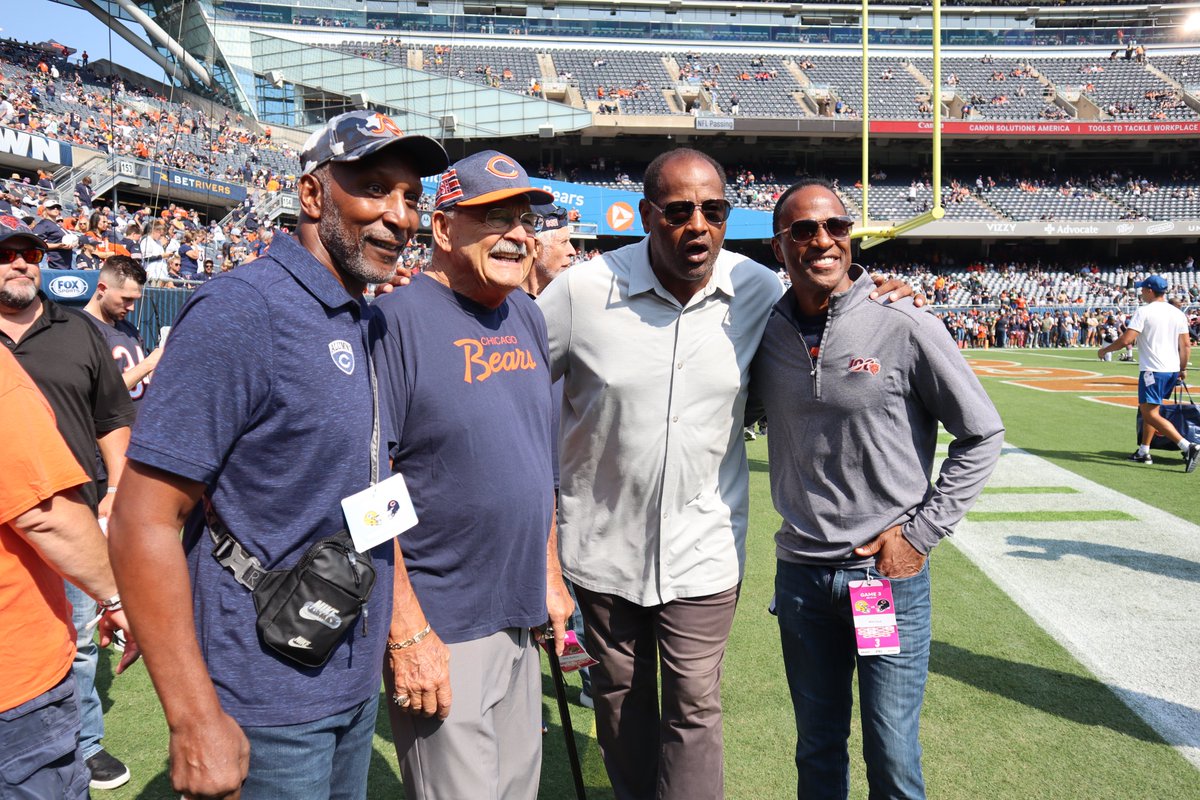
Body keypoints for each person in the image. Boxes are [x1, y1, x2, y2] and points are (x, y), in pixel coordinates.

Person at [536, 148, 918, 800]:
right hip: (600, 548)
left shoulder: (758, 289)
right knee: (621, 703)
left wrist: (878, 295)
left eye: (713, 211)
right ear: (647, 215)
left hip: (704, 548)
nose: (698, 226)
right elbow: (512, 390)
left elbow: (830, 314)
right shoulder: (578, 292)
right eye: (679, 212)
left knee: (695, 708)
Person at [106, 111, 449, 799]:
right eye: (375, 188)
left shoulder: (368, 317)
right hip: (259, 697)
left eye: (411, 197)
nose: (399, 215)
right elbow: (142, 520)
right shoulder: (242, 310)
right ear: (314, 195)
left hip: (349, 678)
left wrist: (403, 621)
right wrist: (193, 718)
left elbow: (370, 481)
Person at [748, 179, 1004, 799]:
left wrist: (920, 535)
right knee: (817, 747)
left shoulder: (903, 322)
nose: (822, 240)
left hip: (878, 580)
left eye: (835, 226)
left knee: (890, 748)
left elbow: (983, 434)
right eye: (803, 230)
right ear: (780, 246)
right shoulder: (761, 329)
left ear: (851, 235)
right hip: (804, 581)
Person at [372, 150, 572, 800]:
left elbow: (536, 460)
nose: (517, 233)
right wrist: (405, 629)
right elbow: (369, 488)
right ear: (442, 229)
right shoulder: (393, 322)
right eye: (492, 217)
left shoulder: (527, 315)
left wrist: (549, 577)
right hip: (441, 624)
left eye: (522, 217)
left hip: (518, 614)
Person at [0, 214, 136, 791]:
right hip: (40, 527)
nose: (21, 262)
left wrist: (116, 489)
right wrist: (116, 591)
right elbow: (35, 508)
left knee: (78, 645)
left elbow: (113, 415)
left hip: (76, 510)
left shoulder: (77, 330)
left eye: (30, 252)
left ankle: (87, 742)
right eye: (6, 254)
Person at [1099, 274, 1198, 471]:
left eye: (1143, 289)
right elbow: (1186, 345)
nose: (1141, 293)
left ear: (1150, 291)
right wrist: (1182, 368)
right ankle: (1144, 451)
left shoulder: (1144, 312)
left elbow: (1127, 340)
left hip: (1153, 370)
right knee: (1152, 411)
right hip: (1170, 370)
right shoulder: (1177, 312)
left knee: (1149, 413)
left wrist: (1105, 349)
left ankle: (1187, 446)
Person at [83, 255, 161, 408]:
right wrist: (148, 364)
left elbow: (143, 382)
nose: (131, 307)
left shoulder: (129, 328)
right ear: (102, 289)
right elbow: (99, 394)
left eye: (135, 300)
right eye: (126, 299)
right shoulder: (81, 329)